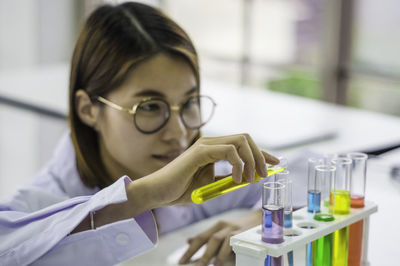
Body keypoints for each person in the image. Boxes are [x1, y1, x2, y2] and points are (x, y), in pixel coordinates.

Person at [0, 2, 279, 266]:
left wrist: (256, 223)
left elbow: (304, 170)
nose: (179, 133)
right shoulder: (36, 205)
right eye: (149, 107)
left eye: (189, 102)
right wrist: (143, 195)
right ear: (88, 110)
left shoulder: (203, 181)